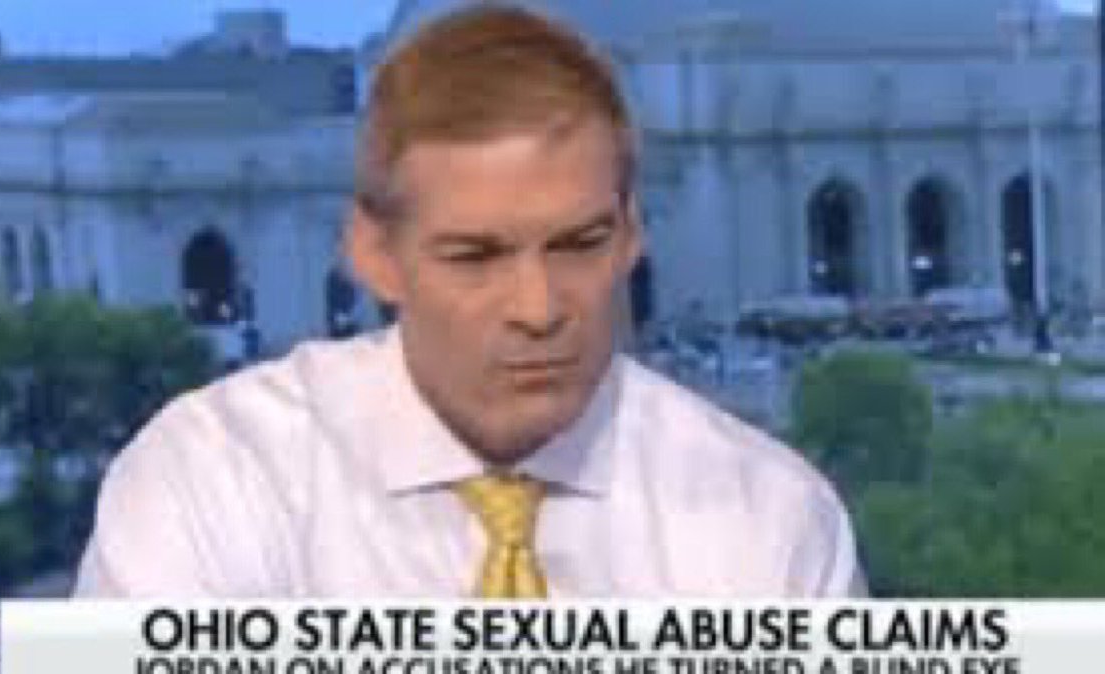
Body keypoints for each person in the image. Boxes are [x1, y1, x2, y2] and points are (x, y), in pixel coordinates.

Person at [75, 4, 863, 598]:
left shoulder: (772, 519)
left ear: (631, 235)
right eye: (476, 257)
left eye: (578, 244)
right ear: (373, 254)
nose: (538, 308)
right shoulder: (212, 481)